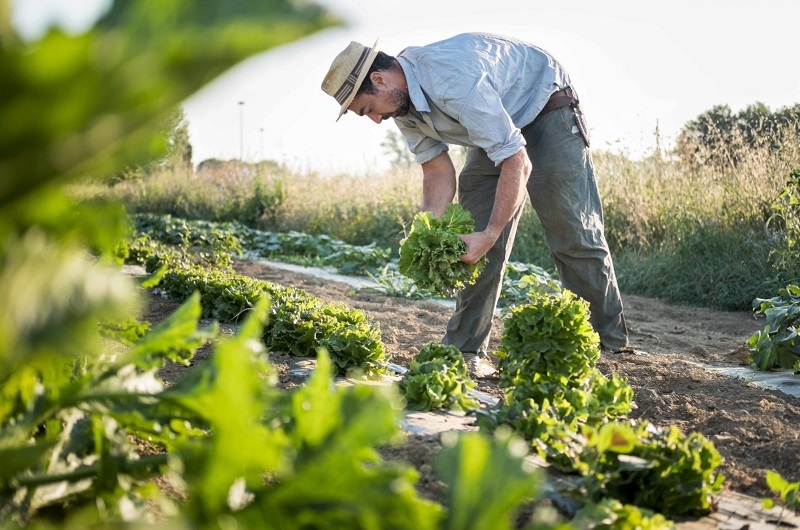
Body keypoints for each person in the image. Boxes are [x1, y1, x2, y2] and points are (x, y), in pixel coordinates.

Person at [321, 32, 632, 377]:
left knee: (571, 231)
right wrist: (429, 231)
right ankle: (466, 348)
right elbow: (437, 170)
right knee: (468, 240)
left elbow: (517, 162)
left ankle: (608, 343)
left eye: (367, 110)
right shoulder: (401, 107)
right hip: (495, 126)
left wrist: (492, 232)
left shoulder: (452, 80)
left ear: (379, 80)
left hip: (545, 106)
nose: (376, 121)